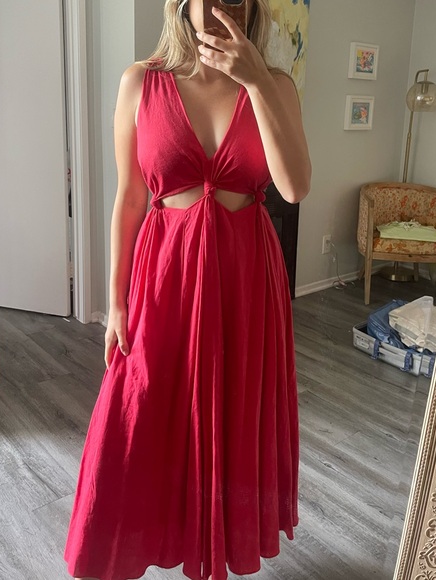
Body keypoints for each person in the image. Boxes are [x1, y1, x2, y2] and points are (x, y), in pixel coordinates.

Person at [63, 0, 311, 578]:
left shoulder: (276, 85)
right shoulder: (140, 82)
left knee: (232, 418)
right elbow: (129, 198)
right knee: (137, 411)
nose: (227, 4)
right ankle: (125, 545)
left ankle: (211, 549)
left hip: (246, 279)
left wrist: (255, 80)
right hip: (163, 275)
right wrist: (115, 302)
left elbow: (295, 187)